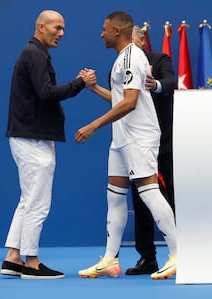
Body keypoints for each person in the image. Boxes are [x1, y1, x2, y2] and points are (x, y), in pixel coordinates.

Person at [75, 11, 177, 280]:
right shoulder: (121, 59)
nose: (101, 34)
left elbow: (130, 102)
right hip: (121, 138)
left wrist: (94, 125)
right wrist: (95, 88)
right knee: (115, 196)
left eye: (104, 29)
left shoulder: (133, 56)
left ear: (117, 31)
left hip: (139, 136)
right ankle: (110, 259)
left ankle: (179, 254)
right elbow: (120, 98)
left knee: (149, 193)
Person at [1, 10, 95, 279]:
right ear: (40, 27)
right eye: (56, 28)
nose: (61, 33)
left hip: (29, 137)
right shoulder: (34, 55)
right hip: (33, 139)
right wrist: (80, 83)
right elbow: (46, 94)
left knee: (28, 200)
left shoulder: (34, 54)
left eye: (63, 28)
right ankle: (31, 261)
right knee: (38, 203)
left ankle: (12, 256)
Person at [125, 26, 177, 276]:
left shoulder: (160, 60)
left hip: (164, 144)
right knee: (140, 201)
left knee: (170, 197)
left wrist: (154, 83)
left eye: (131, 39)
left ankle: (179, 253)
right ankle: (147, 257)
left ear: (142, 39)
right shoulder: (122, 65)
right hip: (136, 144)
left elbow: (171, 83)